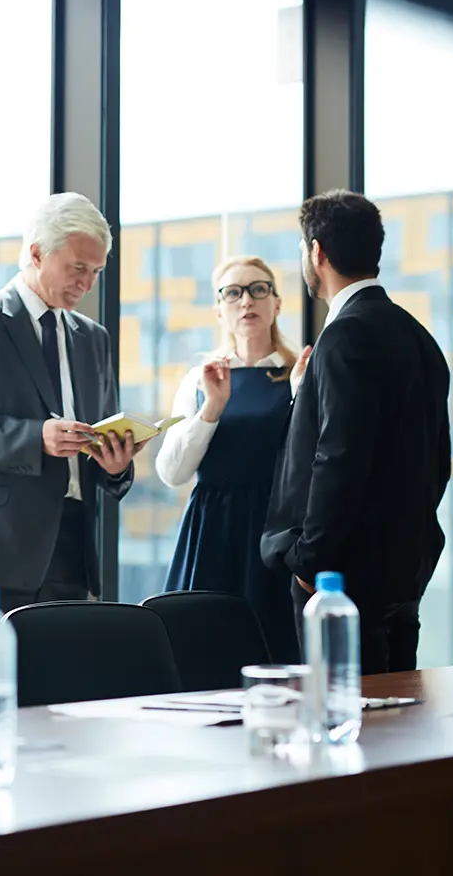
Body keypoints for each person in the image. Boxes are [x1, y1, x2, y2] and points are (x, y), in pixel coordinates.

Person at [0, 193, 147, 623]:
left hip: (72, 548)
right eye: (78, 268)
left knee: (67, 687)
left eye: (96, 272)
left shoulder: (93, 338)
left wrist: (116, 465)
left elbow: (99, 437)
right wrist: (35, 438)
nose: (87, 283)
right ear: (36, 253)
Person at [261, 189, 451, 675]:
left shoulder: (343, 335)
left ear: (317, 252)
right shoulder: (418, 336)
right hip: (406, 570)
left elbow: (338, 457)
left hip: (342, 581)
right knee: (397, 719)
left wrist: (311, 563)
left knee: (346, 721)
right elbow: (439, 462)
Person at [156, 256, 309, 662]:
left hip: (276, 530)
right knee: (204, 655)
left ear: (277, 304)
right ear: (219, 310)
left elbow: (311, 461)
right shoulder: (200, 378)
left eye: (259, 289)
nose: (247, 301)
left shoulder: (300, 373)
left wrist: (299, 397)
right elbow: (172, 472)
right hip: (213, 528)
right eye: (233, 293)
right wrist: (212, 407)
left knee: (277, 654)